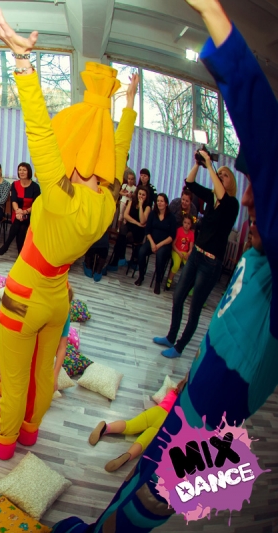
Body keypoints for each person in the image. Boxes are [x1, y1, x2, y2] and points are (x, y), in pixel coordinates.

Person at [52, 2, 277, 530]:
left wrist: (215, 15)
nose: (249, 201)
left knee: (151, 500)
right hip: (196, 393)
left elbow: (266, 137)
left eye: (258, 192)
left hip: (214, 422)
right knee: (144, 476)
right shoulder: (257, 258)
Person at [0, 4, 138, 460]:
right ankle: (29, 431)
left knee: (14, 375)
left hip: (25, 294)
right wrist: (125, 106)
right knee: (42, 372)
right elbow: (118, 149)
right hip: (58, 299)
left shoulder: (62, 193)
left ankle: (4, 439)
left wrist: (22, 61)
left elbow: (40, 131)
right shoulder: (107, 201)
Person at [153, 150, 239, 358]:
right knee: (178, 296)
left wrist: (210, 164)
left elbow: (222, 196)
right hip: (196, 256)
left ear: (232, 183)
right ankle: (171, 336)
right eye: (220, 174)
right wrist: (198, 163)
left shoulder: (231, 204)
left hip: (210, 264)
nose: (220, 176)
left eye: (225, 175)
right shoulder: (212, 198)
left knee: (195, 307)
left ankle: (179, 347)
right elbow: (189, 183)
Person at [88, 376, 187, 472]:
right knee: (143, 442)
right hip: (166, 421)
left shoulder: (172, 391)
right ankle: (128, 455)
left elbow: (170, 388)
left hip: (156, 411)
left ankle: (106, 428)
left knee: (130, 425)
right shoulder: (186, 405)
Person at [134, 193, 177, 294]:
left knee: (160, 255)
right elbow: (147, 231)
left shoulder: (171, 217)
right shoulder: (153, 214)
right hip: (152, 241)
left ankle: (157, 282)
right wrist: (153, 244)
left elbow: (172, 236)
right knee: (141, 251)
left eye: (161, 201)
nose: (159, 203)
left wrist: (159, 245)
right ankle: (141, 276)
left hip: (164, 244)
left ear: (166, 203)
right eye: (158, 201)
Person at [0, 162, 40, 256]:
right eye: (20, 170)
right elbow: (14, 201)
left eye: (24, 170)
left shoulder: (35, 187)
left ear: (29, 171)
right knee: (20, 225)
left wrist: (24, 212)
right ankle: (20, 255)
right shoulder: (15, 184)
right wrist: (18, 211)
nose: (21, 172)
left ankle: (7, 245)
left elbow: (36, 205)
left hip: (30, 213)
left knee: (21, 227)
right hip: (17, 212)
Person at [108, 187, 151, 271]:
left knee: (124, 236)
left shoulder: (147, 207)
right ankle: (119, 259)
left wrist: (141, 206)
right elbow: (125, 215)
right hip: (130, 226)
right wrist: (137, 223)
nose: (141, 196)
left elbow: (142, 221)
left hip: (139, 230)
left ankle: (117, 260)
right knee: (123, 231)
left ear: (146, 196)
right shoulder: (131, 202)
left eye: (143, 195)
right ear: (137, 194)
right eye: (139, 194)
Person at [166, 214, 195, 290]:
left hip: (185, 252)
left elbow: (191, 248)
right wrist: (179, 253)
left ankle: (185, 285)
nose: (186, 225)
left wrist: (188, 254)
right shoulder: (179, 230)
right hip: (176, 251)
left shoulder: (191, 234)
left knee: (189, 267)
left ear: (191, 225)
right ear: (182, 222)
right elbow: (173, 244)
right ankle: (169, 280)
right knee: (176, 265)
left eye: (188, 223)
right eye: (185, 222)